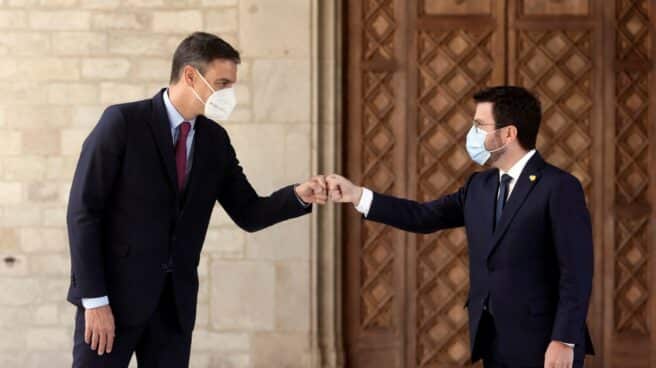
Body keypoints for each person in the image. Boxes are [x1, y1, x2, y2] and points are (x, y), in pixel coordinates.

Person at [66, 32, 327, 367]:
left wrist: (298, 196)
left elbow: (249, 212)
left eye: (232, 85)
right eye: (222, 83)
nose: (228, 94)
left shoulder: (215, 141)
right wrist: (95, 300)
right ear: (190, 75)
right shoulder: (123, 123)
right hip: (111, 303)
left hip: (173, 310)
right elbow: (83, 213)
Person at [327, 86, 594, 368]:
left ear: (508, 134)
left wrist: (564, 340)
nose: (472, 133)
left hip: (544, 344)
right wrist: (357, 195)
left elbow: (576, 272)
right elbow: (423, 216)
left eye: (479, 125)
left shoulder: (559, 187)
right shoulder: (479, 186)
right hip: (493, 339)